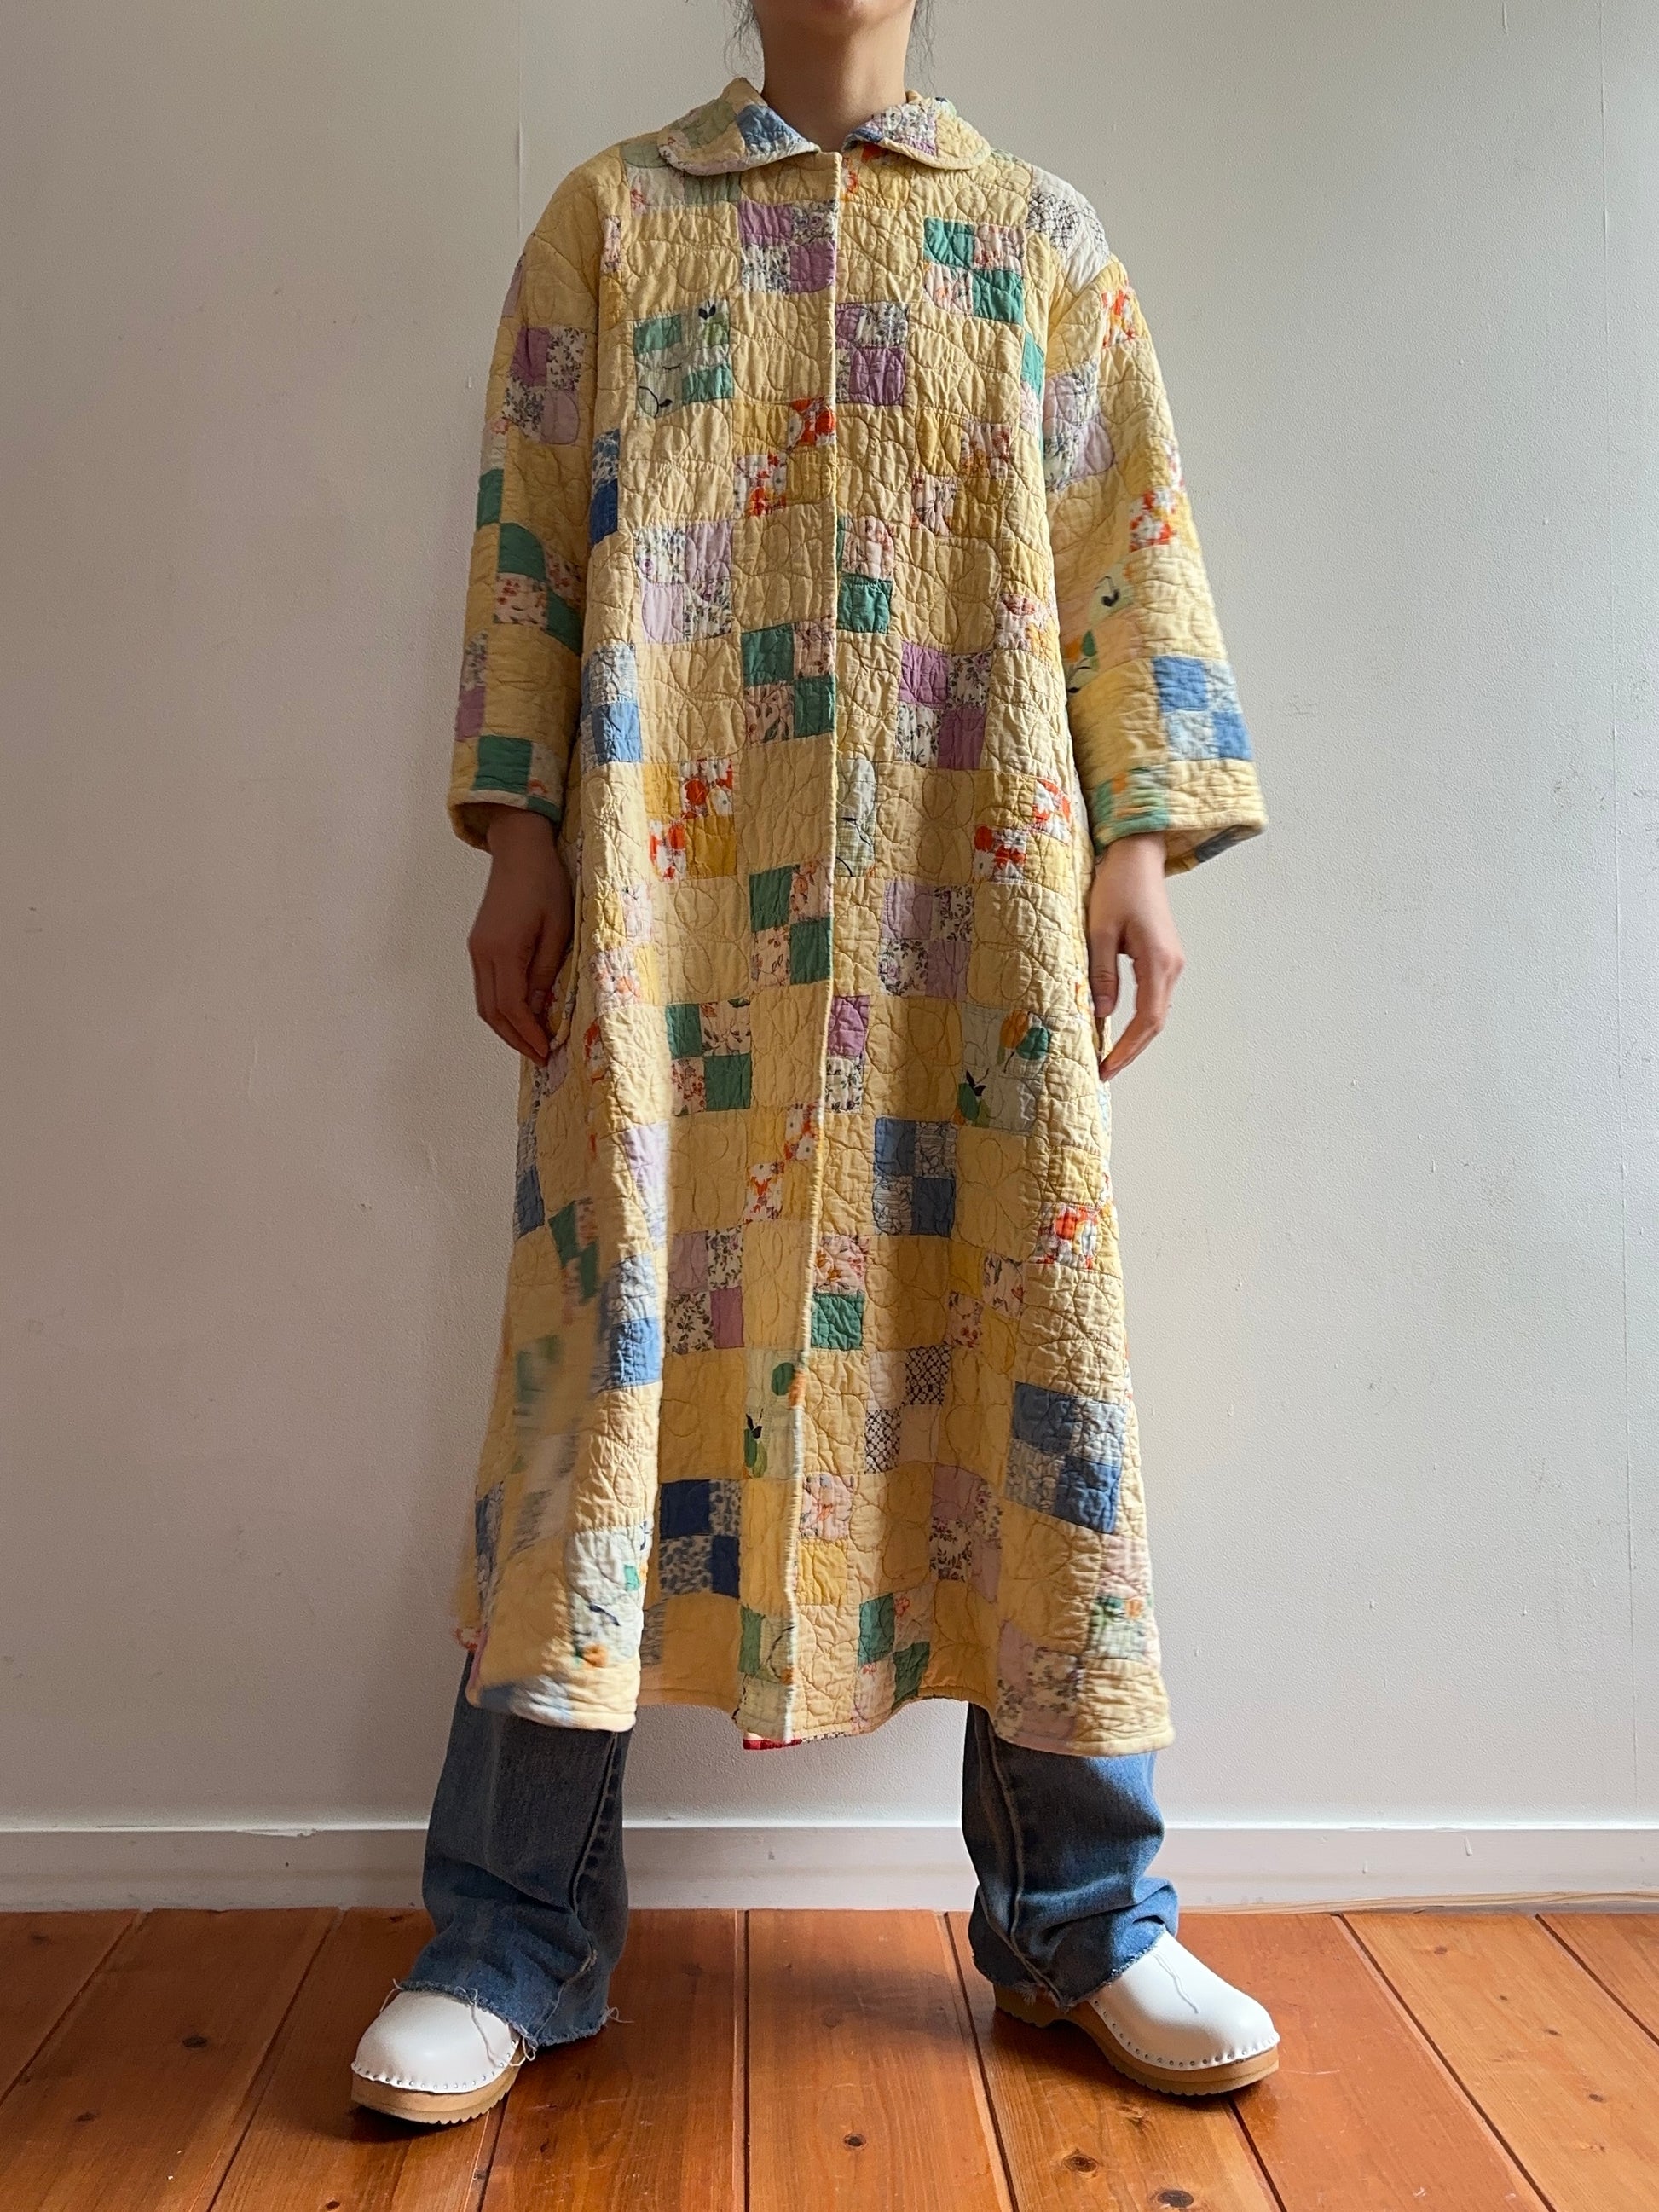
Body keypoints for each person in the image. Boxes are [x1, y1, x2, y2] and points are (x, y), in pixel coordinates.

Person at [351, 0, 1277, 2128]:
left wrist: (1139, 850)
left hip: (978, 906)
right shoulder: (614, 224)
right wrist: (514, 838)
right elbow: (529, 546)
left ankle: (1088, 1917)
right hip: (670, 914)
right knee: (601, 1375)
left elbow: (1124, 551)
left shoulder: (1032, 236)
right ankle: (506, 1932)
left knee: (1028, 1359)